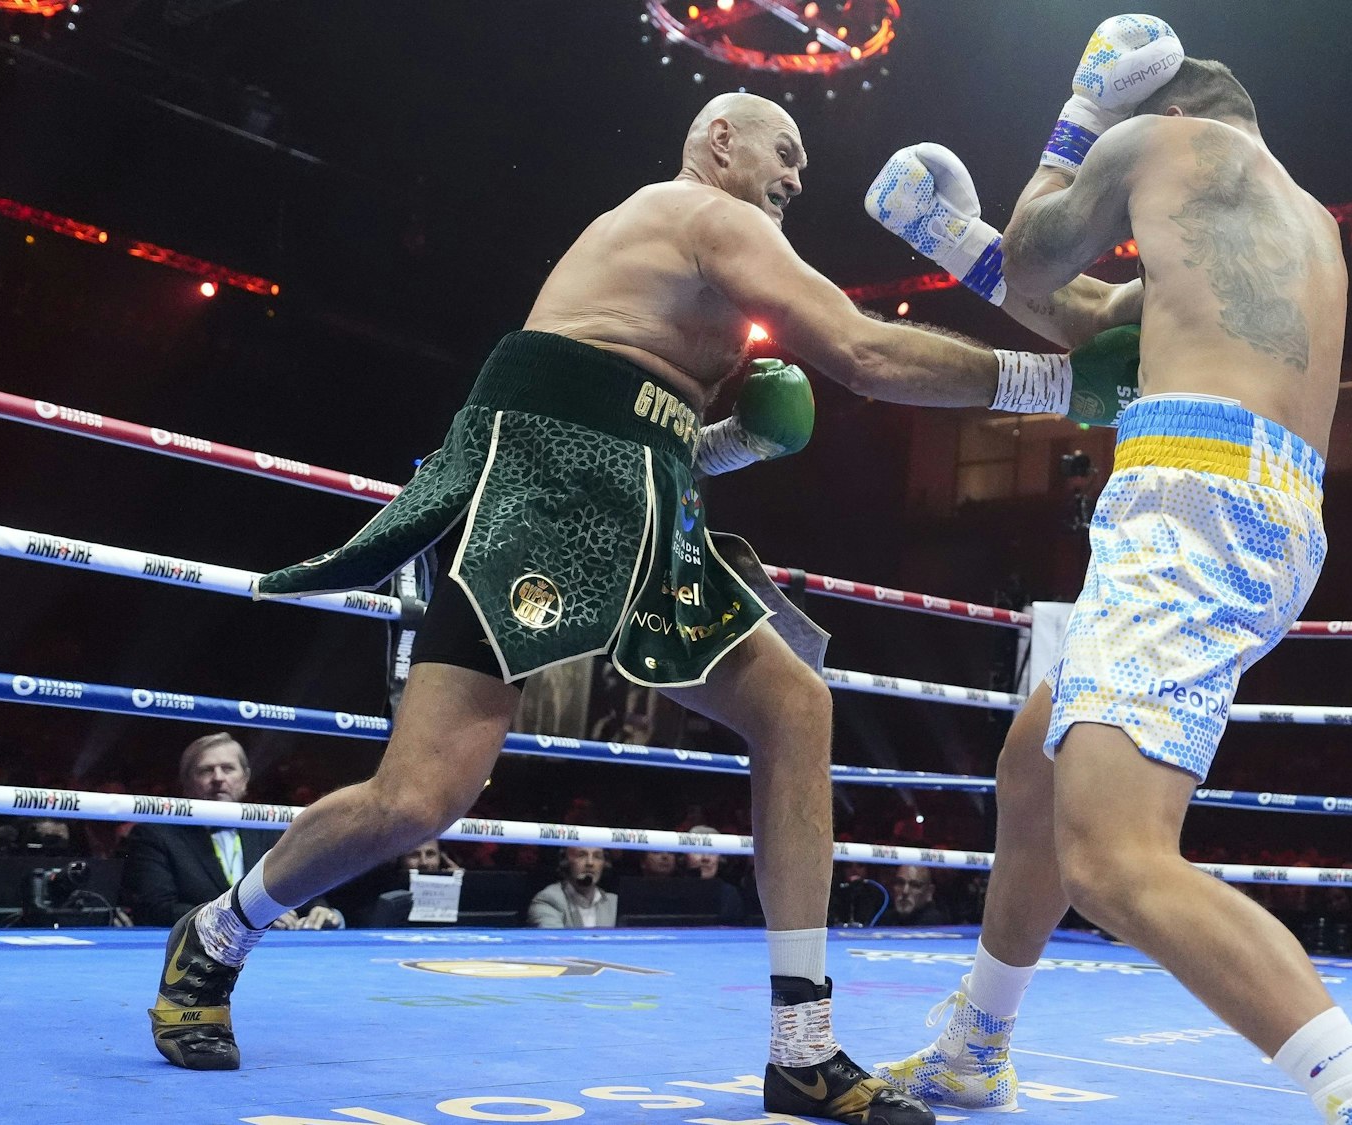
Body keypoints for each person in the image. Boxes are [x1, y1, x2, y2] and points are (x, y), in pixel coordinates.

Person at [147, 90, 1138, 1125]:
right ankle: (216, 933)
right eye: (783, 150)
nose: (796, 174)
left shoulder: (688, 276)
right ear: (719, 141)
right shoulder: (704, 213)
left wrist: (737, 440)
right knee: (419, 800)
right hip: (538, 475)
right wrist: (1057, 384)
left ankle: (801, 1050)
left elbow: (658, 450)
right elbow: (862, 352)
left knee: (794, 709)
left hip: (636, 498)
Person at [868, 20, 1352, 1124]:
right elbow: (1089, 319)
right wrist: (944, 235)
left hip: (1189, 502)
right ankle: (974, 1048)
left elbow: (1039, 251)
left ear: (1159, 113)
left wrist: (1077, 119)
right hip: (1267, 512)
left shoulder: (1155, 144)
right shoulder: (1303, 222)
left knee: (1114, 860)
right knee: (1034, 761)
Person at [123, 733, 341, 929]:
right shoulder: (155, 835)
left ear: (245, 779)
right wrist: (242, 916)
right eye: (206, 770)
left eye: (228, 768)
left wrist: (317, 908)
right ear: (186, 783)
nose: (218, 778)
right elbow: (157, 910)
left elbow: (297, 885)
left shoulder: (268, 829)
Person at [528, 846, 617, 928]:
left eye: (597, 856)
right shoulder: (549, 900)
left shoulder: (614, 902)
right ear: (565, 861)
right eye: (581, 855)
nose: (590, 863)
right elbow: (555, 943)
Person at [884, 866, 951, 927]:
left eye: (914, 885)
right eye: (900, 882)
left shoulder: (934, 923)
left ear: (929, 892)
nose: (905, 891)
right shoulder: (886, 918)